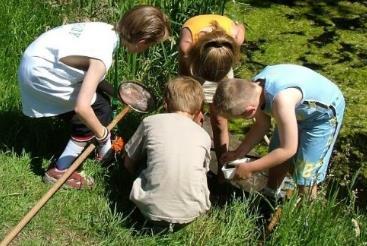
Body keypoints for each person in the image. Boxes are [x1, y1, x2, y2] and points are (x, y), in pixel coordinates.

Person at [18, 5, 171, 189]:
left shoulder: (105, 30)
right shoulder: (102, 57)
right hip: (41, 76)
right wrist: (103, 135)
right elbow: (81, 107)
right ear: (142, 41)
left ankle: (91, 142)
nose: (146, 49)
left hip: (36, 60)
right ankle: (59, 171)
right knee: (94, 114)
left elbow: (87, 71)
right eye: (150, 45)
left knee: (101, 105)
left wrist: (117, 94)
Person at [213, 64, 345, 198]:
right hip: (296, 109)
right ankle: (271, 193)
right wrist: (238, 153)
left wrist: (251, 168)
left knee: (305, 171)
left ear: (249, 110)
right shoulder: (253, 90)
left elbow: (288, 150)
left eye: (241, 117)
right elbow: (262, 125)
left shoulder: (281, 102)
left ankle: (307, 210)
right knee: (275, 151)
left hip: (323, 116)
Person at [123, 76, 211, 230]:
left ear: (165, 103)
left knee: (144, 157)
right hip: (189, 215)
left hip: (149, 213)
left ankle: (150, 196)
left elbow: (128, 162)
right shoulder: (204, 136)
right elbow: (203, 171)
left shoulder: (150, 121)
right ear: (198, 111)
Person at [178, 14, 245, 179]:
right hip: (194, 70)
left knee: (220, 121)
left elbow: (240, 28)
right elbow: (185, 72)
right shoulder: (187, 47)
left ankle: (223, 169)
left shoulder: (234, 38)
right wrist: (192, 94)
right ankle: (195, 165)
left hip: (219, 58)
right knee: (193, 118)